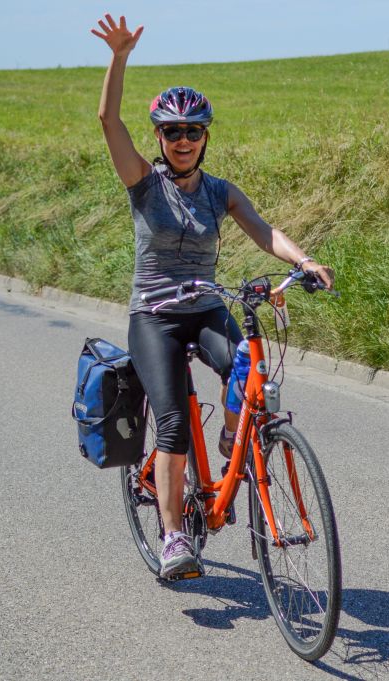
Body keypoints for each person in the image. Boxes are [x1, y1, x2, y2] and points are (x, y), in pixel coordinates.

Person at [91, 14, 334, 579]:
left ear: (205, 136)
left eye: (192, 131)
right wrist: (119, 57)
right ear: (159, 138)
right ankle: (175, 536)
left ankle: (233, 433)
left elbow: (264, 229)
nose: (182, 141)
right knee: (173, 423)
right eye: (172, 132)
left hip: (204, 309)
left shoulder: (221, 192)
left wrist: (303, 261)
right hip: (154, 318)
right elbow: (107, 121)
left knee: (250, 364)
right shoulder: (143, 184)